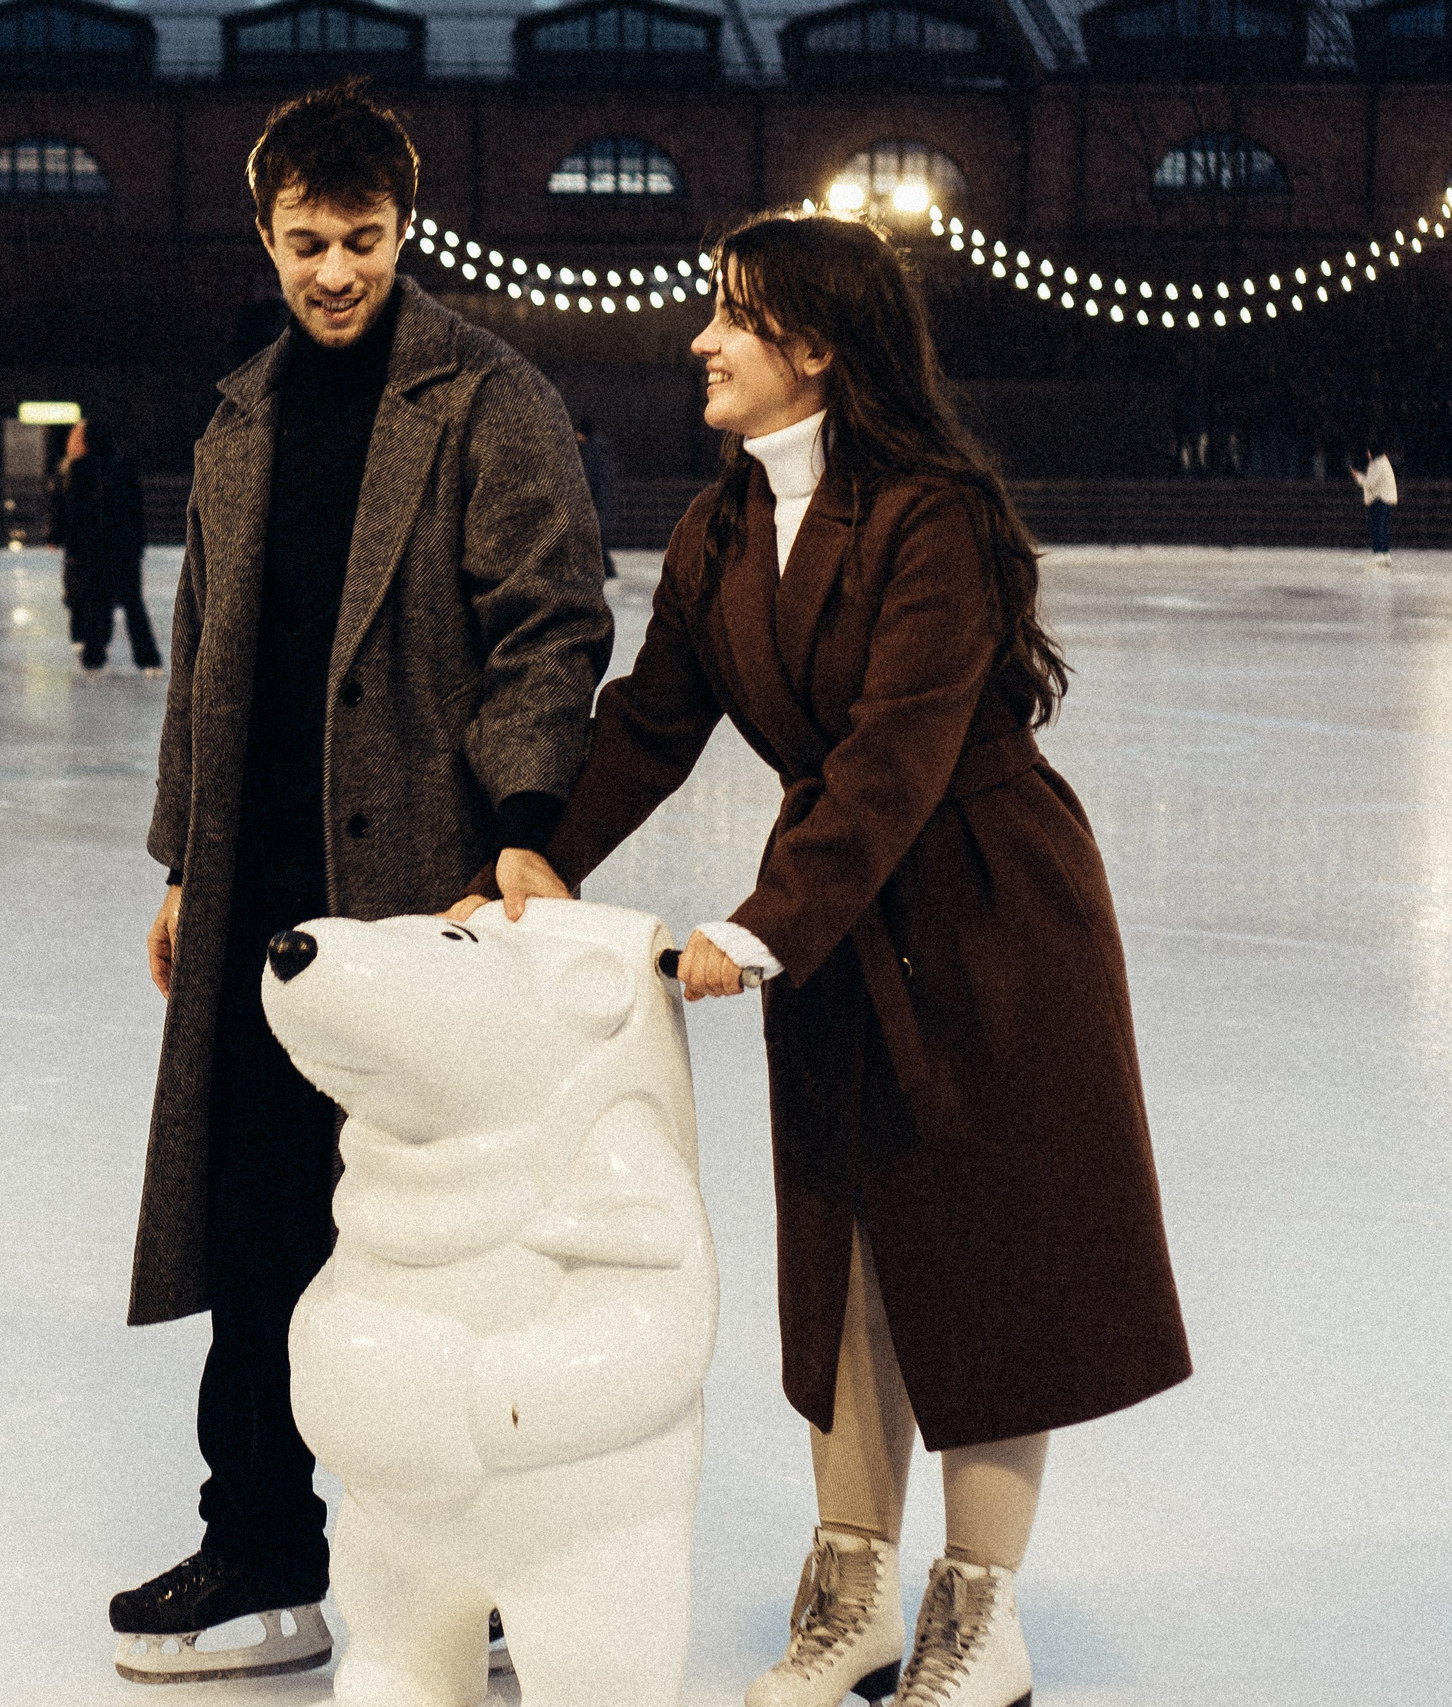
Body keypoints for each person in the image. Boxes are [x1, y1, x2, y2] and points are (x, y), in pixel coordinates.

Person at [463, 211, 1190, 1707]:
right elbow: (652, 719)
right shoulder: (722, 524)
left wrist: (757, 927)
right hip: (844, 918)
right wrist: (543, 851)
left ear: (818, 347)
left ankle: (980, 1616)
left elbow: (894, 756)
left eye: (733, 317)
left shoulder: (936, 517)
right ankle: (851, 1589)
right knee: (846, 1252)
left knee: (987, 1260)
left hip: (988, 911)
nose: (701, 342)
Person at [114, 79, 613, 1683]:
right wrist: (188, 854)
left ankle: (485, 1580)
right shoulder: (242, 412)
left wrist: (526, 817)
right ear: (266, 233)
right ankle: (262, 1539)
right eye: (310, 241)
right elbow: (202, 650)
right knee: (260, 1223)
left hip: (427, 896)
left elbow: (553, 618)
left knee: (445, 1242)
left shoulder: (486, 394)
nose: (337, 271)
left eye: (367, 240)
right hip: (260, 901)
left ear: (408, 231)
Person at [53, 418, 163, 674]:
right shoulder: (121, 467)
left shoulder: (82, 469)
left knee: (102, 602)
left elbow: (76, 512)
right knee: (128, 603)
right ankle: (145, 659)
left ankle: (96, 657)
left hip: (102, 548)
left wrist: (71, 542)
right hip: (119, 547)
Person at [576, 415, 622, 578]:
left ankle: (606, 568)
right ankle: (605, 568)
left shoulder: (590, 451)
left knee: (596, 536)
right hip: (603, 500)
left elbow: (590, 476)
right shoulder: (599, 449)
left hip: (597, 502)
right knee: (597, 536)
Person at [1350, 443, 1396, 569]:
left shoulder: (1378, 464)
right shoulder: (1382, 462)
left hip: (1380, 499)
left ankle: (1379, 555)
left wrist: (1357, 477)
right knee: (1383, 527)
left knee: (1378, 527)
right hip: (1384, 498)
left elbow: (1369, 483)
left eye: (1369, 451)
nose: (1368, 454)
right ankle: (1385, 554)